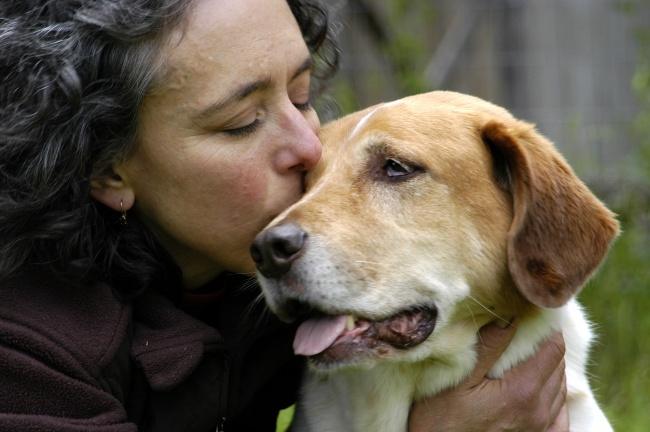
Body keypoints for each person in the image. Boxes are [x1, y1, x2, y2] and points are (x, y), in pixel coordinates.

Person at [0, 0, 568, 430]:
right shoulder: (27, 355)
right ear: (107, 168)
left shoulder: (278, 271)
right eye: (242, 122)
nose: (311, 145)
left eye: (301, 95)